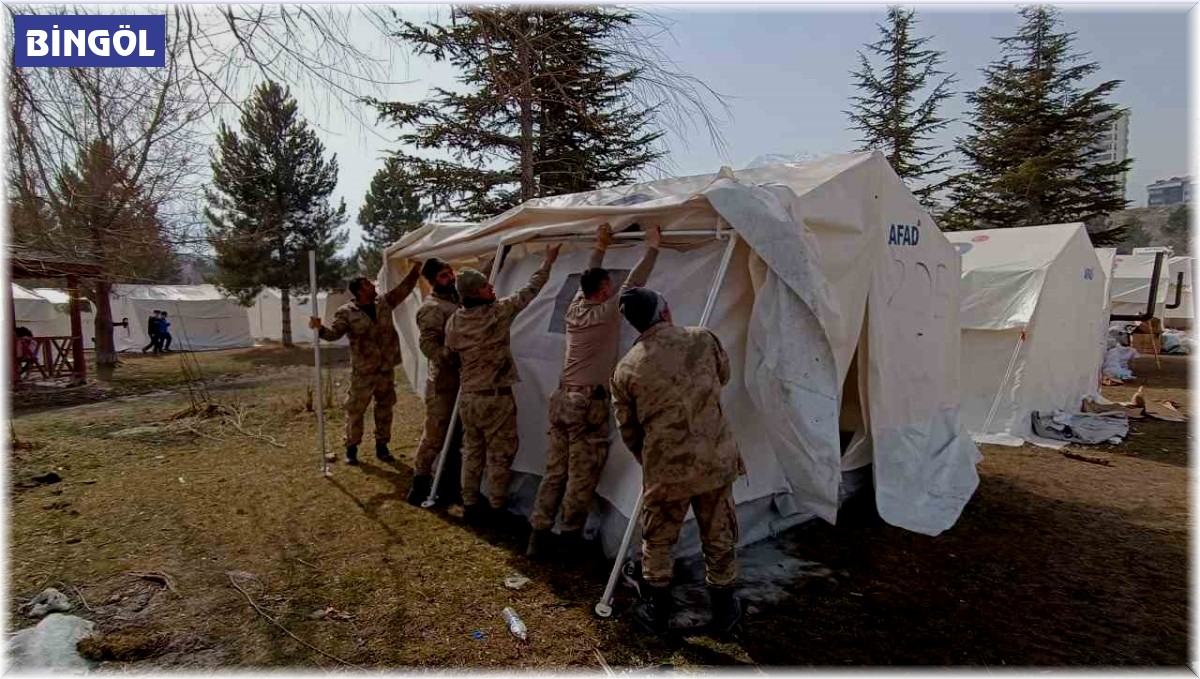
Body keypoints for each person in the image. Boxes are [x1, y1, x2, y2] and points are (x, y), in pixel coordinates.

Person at [610, 285, 746, 637]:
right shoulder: (703, 339)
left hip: (666, 471)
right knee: (718, 534)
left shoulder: (626, 368)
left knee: (658, 540)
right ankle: (725, 612)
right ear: (665, 311)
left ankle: (656, 610)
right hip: (715, 461)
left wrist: (654, 461)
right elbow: (724, 376)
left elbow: (628, 430)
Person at [526, 224, 661, 560]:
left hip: (561, 400)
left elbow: (589, 274)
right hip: (586, 403)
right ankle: (570, 539)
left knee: (555, 470)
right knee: (581, 475)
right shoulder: (605, 313)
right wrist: (653, 246)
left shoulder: (576, 307)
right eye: (608, 286)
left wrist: (600, 245)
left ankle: (538, 534)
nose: (613, 287)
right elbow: (635, 283)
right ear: (602, 292)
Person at [445, 244, 561, 526]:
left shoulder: (455, 322)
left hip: (470, 397)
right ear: (476, 293)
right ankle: (497, 506)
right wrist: (548, 260)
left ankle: (470, 503)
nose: (491, 289)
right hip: (496, 397)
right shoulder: (497, 313)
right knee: (500, 452)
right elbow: (530, 292)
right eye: (486, 287)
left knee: (472, 451)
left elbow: (450, 353)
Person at [309, 263, 423, 465]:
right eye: (368, 284)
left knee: (385, 408)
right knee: (355, 410)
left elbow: (403, 290)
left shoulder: (385, 303)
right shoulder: (346, 312)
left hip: (385, 369)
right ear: (360, 290)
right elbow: (334, 335)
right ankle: (351, 449)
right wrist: (319, 329)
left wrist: (415, 270)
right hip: (363, 371)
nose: (373, 285)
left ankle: (382, 447)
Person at [407, 257, 465, 506]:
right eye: (443, 276)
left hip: (463, 380)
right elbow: (427, 344)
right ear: (431, 281)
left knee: (457, 437)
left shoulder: (457, 300)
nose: (450, 278)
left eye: (450, 273)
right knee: (435, 436)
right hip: (443, 383)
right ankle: (419, 484)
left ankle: (449, 485)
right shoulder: (432, 307)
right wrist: (448, 356)